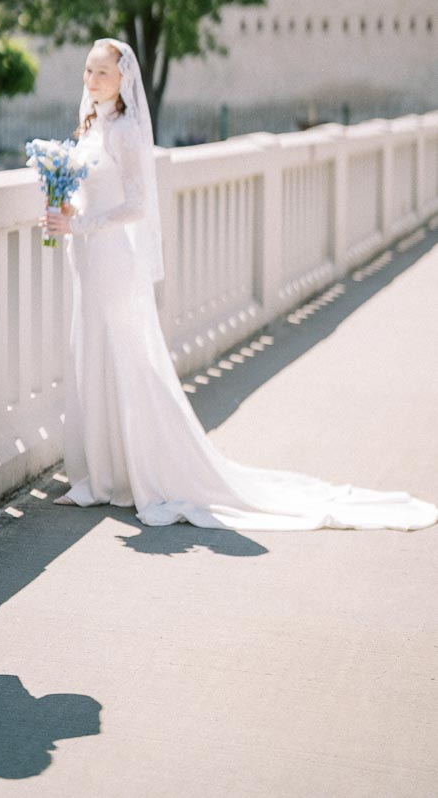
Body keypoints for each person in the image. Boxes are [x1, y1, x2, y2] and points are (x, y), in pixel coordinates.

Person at [44, 38, 437, 531]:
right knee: (93, 354)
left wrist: (80, 226)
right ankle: (97, 477)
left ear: (124, 78)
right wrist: (65, 211)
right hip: (88, 258)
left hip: (112, 259)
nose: (92, 80)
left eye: (102, 73)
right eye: (88, 71)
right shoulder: (91, 126)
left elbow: (138, 207)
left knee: (126, 358)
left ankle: (135, 474)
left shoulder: (124, 129)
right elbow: (91, 192)